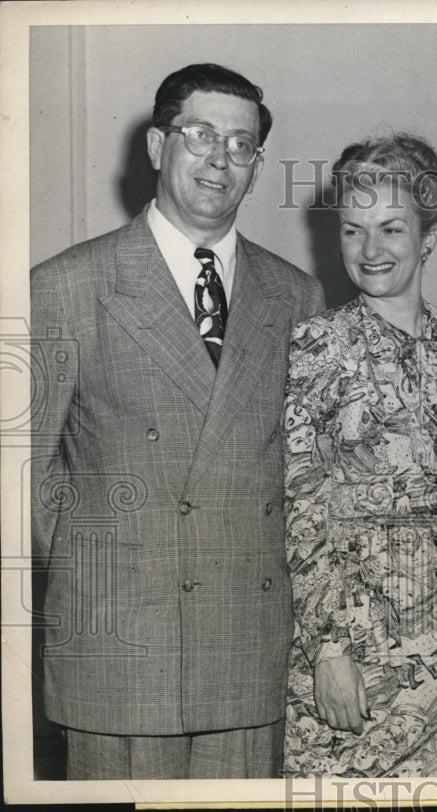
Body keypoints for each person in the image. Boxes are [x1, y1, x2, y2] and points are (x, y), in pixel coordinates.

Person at [30, 63, 325, 779]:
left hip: (249, 650)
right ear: (158, 145)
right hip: (123, 649)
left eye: (242, 144)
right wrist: (99, 572)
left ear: (257, 166)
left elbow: (308, 480)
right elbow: (23, 472)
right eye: (201, 135)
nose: (221, 158)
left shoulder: (296, 295)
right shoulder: (66, 285)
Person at [282, 134, 437, 778]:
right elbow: (301, 510)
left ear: (428, 235)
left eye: (391, 228)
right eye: (353, 230)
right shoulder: (317, 345)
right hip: (354, 665)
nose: (370, 249)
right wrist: (328, 651)